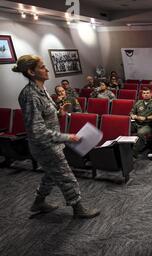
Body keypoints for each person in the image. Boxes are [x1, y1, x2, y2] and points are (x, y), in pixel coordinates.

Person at [12, 55, 100, 218]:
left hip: (52, 143)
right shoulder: (31, 95)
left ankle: (38, 202)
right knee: (66, 176)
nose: (46, 69)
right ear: (31, 72)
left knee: (51, 174)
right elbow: (36, 130)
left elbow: (46, 118)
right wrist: (68, 137)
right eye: (42, 67)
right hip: (45, 146)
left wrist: (60, 113)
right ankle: (78, 208)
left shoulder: (42, 89)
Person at [130, 87, 152, 158]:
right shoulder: (138, 103)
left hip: (148, 125)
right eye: (144, 93)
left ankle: (133, 153)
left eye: (147, 93)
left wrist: (145, 118)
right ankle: (122, 150)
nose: (146, 95)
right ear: (142, 95)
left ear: (151, 94)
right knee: (124, 127)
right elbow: (131, 112)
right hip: (136, 123)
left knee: (140, 133)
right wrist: (133, 115)